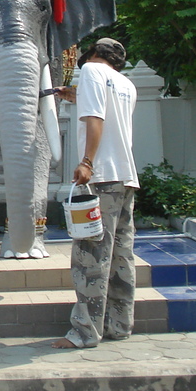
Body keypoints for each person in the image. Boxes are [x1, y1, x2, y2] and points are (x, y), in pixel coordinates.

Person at [53, 37, 138, 349]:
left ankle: (84, 333)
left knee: (90, 256)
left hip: (101, 177)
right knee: (120, 256)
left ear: (91, 55)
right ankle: (119, 325)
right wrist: (74, 96)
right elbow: (106, 108)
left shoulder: (90, 71)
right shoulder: (126, 83)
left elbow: (96, 118)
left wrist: (87, 161)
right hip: (126, 178)